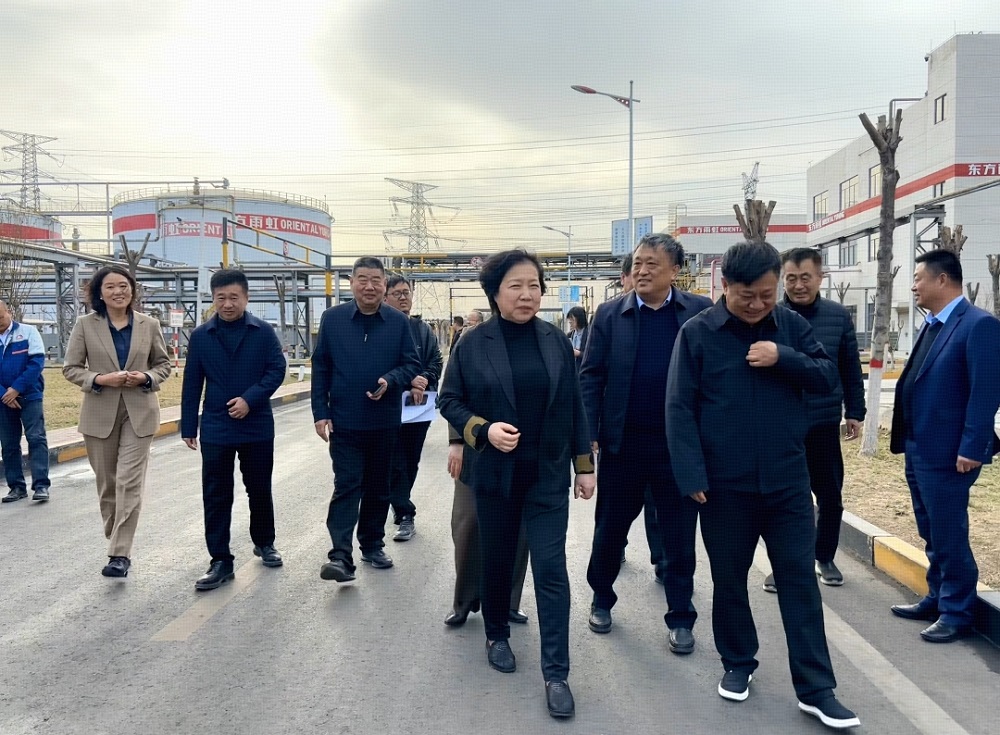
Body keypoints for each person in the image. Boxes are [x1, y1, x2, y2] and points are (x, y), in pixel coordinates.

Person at [665, 241, 859, 730]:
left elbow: (827, 378)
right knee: (729, 579)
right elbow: (679, 407)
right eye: (746, 295)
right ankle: (738, 662)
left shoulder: (791, 327)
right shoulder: (697, 334)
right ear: (725, 286)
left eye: (767, 295)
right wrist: (691, 474)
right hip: (724, 487)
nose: (757, 304)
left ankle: (816, 688)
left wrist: (784, 357)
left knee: (798, 582)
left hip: (787, 482)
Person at [439, 249, 595, 720]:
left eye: (534, 286)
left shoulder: (555, 340)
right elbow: (450, 400)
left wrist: (584, 465)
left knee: (551, 570)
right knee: (498, 557)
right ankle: (496, 635)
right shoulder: (473, 342)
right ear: (495, 293)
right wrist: (482, 430)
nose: (528, 295)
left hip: (546, 475)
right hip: (494, 476)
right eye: (516, 286)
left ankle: (556, 672)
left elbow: (573, 404)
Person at [580, 233, 712, 654]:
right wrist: (589, 431)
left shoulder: (699, 312)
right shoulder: (609, 314)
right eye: (637, 263)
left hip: (678, 451)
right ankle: (602, 599)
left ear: (675, 271)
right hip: (624, 447)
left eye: (652, 264)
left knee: (679, 538)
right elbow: (591, 376)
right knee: (609, 530)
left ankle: (681, 617)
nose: (641, 270)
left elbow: (713, 379)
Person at [889, 249, 1000, 643]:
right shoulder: (933, 323)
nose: (913, 286)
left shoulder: (979, 325)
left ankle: (957, 611)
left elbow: (985, 392)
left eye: (918, 278)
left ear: (941, 279)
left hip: (952, 453)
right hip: (919, 446)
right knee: (931, 529)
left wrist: (972, 446)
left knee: (949, 532)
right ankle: (937, 597)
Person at [760, 248, 866, 592]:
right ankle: (788, 564)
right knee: (787, 501)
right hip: (782, 426)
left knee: (830, 496)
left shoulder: (837, 316)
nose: (798, 285)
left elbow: (850, 367)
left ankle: (825, 557)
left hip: (822, 424)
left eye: (805, 277)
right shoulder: (768, 316)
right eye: (791, 278)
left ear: (820, 278)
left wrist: (855, 411)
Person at [312, 257, 420, 582]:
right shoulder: (333, 319)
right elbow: (321, 367)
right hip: (344, 422)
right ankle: (340, 556)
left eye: (376, 280)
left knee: (377, 487)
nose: (369, 286)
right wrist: (320, 412)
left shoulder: (398, 322)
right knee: (346, 485)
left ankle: (372, 545)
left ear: (384, 285)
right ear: (352, 283)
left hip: (383, 422)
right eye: (363, 279)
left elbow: (411, 364)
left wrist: (391, 379)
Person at [181, 269, 288, 591]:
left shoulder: (263, 332)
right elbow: (192, 382)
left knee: (259, 487)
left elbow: (276, 370)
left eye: (234, 298)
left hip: (256, 424)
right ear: (213, 299)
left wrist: (250, 400)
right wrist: (189, 425)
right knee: (216, 493)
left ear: (246, 298)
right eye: (221, 298)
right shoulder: (202, 336)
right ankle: (220, 560)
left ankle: (265, 542)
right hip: (216, 425)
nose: (227, 304)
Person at [63, 265, 171, 578]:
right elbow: (71, 368)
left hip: (140, 413)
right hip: (99, 414)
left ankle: (119, 553)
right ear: (99, 293)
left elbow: (162, 365)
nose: (118, 291)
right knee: (108, 483)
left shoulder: (149, 324)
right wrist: (100, 379)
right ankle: (116, 528)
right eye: (110, 287)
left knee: (129, 482)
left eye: (123, 285)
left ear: (132, 290)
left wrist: (146, 377)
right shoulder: (85, 325)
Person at [383, 274, 443, 542]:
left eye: (406, 292)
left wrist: (424, 380)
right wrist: (409, 381)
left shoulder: (422, 329)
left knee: (410, 458)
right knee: (393, 459)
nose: (403, 297)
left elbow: (436, 360)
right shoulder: (381, 328)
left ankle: (401, 503)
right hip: (389, 405)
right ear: (386, 298)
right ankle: (405, 512)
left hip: (419, 406)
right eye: (397, 293)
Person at [0, 298, 51, 504]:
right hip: (3, 400)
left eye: (0, 316)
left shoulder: (28, 332)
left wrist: (16, 389)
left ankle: (41, 485)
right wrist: (5, 394)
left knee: (36, 438)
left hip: (29, 395)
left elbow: (36, 363)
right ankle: (16, 487)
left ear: (9, 312)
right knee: (9, 444)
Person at [565, 306, 589, 370]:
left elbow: (593, 355)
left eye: (572, 319)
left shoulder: (589, 334)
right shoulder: (570, 335)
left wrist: (579, 353)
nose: (570, 322)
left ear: (579, 319)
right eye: (569, 319)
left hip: (584, 369)